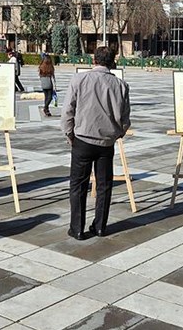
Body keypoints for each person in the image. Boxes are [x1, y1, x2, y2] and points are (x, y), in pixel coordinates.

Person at [61, 47, 131, 240]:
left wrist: (70, 135)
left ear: (94, 60)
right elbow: (125, 119)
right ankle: (100, 226)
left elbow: (68, 111)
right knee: (104, 185)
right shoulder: (121, 85)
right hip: (106, 143)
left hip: (82, 138)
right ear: (112, 62)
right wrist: (116, 135)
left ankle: (77, 228)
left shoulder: (79, 80)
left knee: (78, 185)